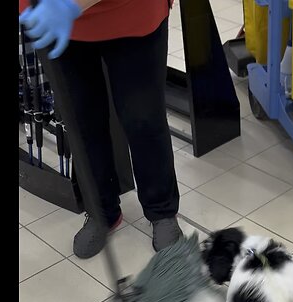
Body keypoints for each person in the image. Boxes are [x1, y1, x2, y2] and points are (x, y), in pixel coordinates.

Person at [19, 0, 184, 258]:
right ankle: (101, 210)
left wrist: (70, 5)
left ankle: (161, 209)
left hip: (131, 12)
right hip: (54, 19)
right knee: (82, 121)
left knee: (143, 118)